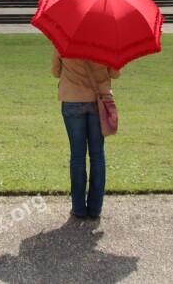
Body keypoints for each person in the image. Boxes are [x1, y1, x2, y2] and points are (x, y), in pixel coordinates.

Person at [52, 49, 120, 219]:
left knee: (77, 155)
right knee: (97, 155)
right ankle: (95, 208)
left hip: (72, 99)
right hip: (99, 100)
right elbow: (115, 73)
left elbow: (55, 72)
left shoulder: (64, 42)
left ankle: (79, 208)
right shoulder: (107, 43)